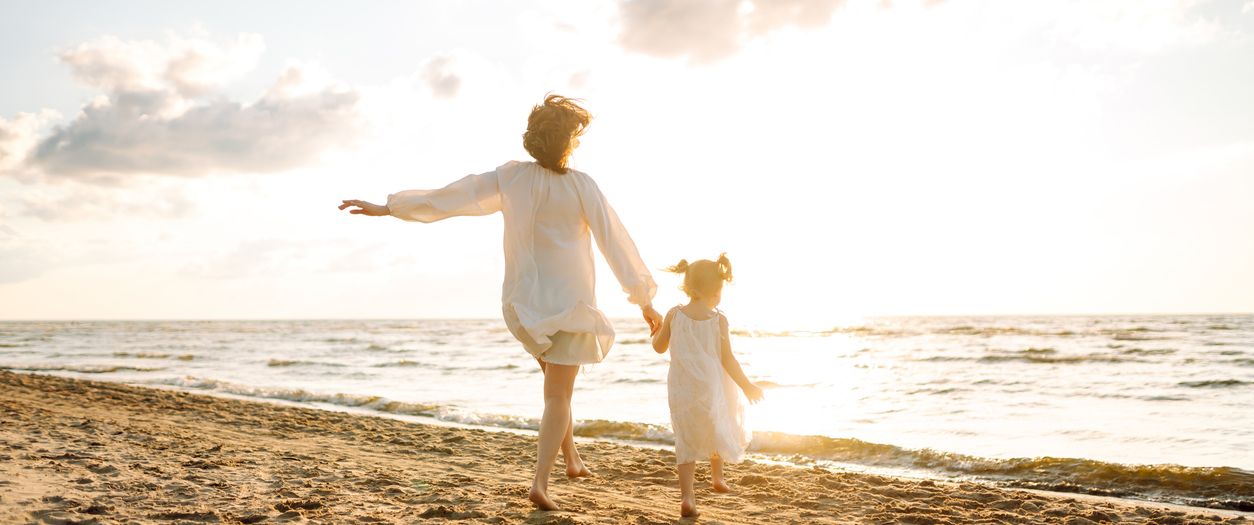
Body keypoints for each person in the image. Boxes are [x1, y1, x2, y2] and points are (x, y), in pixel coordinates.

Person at [339, 94, 663, 511]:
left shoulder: (511, 177)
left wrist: (389, 208)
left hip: (525, 306)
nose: (578, 145)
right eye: (576, 138)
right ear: (565, 141)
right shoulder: (583, 186)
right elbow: (615, 242)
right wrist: (644, 301)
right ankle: (540, 483)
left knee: (556, 388)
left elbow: (452, 196)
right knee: (558, 396)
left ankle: (572, 459)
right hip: (571, 306)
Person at [651, 253, 764, 518]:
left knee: (686, 437)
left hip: (681, 387)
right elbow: (728, 359)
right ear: (717, 289)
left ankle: (688, 497)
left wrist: (657, 329)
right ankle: (717, 478)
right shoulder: (718, 320)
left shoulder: (674, 315)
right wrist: (747, 386)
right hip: (712, 386)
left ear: (687, 286)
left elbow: (659, 347)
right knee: (716, 422)